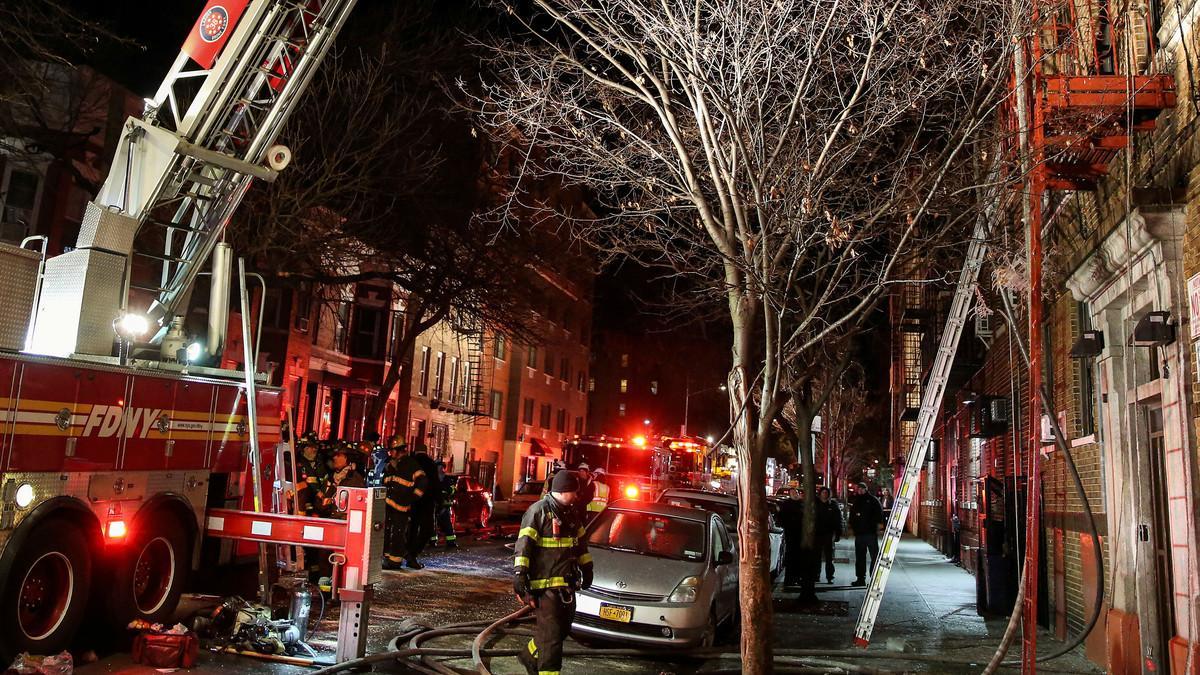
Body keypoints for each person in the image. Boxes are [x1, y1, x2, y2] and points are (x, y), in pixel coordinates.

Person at [514, 470, 592, 675]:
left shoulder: (572, 513)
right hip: (544, 587)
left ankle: (529, 656)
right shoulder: (538, 511)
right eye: (574, 491)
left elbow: (581, 545)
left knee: (561, 630)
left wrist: (587, 567)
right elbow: (524, 546)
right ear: (564, 491)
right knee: (553, 638)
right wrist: (520, 575)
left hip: (566, 587)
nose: (577, 495)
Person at [382, 443, 428, 570]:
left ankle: (395, 561)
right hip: (389, 503)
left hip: (401, 505)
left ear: (398, 451)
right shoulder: (390, 464)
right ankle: (387, 557)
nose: (390, 453)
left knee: (398, 532)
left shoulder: (410, 464)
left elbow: (423, 481)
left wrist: (414, 497)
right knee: (387, 532)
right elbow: (386, 481)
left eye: (392, 450)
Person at [406, 443, 440, 569]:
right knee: (427, 529)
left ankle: (407, 551)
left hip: (411, 501)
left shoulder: (410, 463)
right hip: (427, 502)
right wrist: (439, 501)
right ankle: (413, 553)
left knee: (412, 528)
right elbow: (435, 484)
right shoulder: (431, 464)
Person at [849, 482, 885, 587]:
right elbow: (852, 516)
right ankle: (860, 578)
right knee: (860, 557)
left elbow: (879, 514)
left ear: (865, 489)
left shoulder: (873, 500)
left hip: (870, 533)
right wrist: (854, 526)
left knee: (874, 556)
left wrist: (875, 525)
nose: (859, 491)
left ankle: (873, 578)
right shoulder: (856, 501)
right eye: (858, 489)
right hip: (860, 534)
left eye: (861, 489)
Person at [777, 488, 806, 587]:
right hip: (790, 534)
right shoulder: (786, 504)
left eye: (796, 493)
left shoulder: (802, 504)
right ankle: (789, 579)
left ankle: (798, 578)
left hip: (800, 534)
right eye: (792, 493)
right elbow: (781, 517)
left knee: (800, 558)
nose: (794, 494)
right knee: (790, 557)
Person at [815, 487, 843, 584]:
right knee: (817, 556)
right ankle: (816, 575)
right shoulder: (816, 504)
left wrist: (838, 533)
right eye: (823, 492)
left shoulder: (833, 505)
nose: (825, 494)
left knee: (828, 556)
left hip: (828, 533)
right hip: (817, 533)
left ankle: (829, 576)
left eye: (826, 492)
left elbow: (838, 519)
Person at [430, 461, 458, 549]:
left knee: (447, 524)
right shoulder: (432, 479)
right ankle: (432, 541)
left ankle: (451, 542)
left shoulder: (447, 479)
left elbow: (452, 490)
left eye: (442, 467)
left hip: (444, 505)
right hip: (434, 505)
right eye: (439, 467)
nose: (440, 469)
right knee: (432, 525)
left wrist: (446, 492)